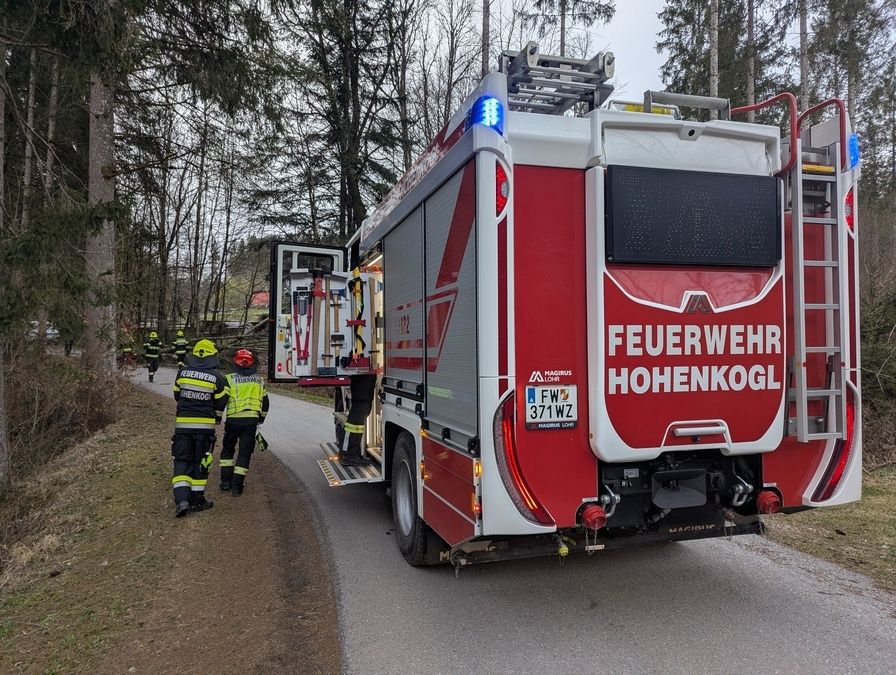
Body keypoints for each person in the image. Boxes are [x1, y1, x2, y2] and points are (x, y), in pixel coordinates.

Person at [171, 339, 229, 517]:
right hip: (204, 429)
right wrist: (216, 418)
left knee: (182, 461)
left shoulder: (182, 373)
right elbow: (221, 403)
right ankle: (197, 501)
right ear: (213, 356)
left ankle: (182, 500)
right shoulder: (219, 378)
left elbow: (176, 395)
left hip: (182, 427)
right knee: (201, 462)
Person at [220, 348, 269, 496]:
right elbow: (266, 404)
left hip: (233, 421)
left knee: (228, 450)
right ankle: (237, 488)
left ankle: (225, 483)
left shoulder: (228, 379)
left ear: (235, 362)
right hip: (250, 422)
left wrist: (216, 416)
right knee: (244, 453)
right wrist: (261, 418)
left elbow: (221, 400)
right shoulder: (259, 380)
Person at [338, 374, 376, 466]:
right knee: (358, 413)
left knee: (361, 411)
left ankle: (352, 453)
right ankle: (348, 454)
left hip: (364, 377)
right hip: (362, 376)